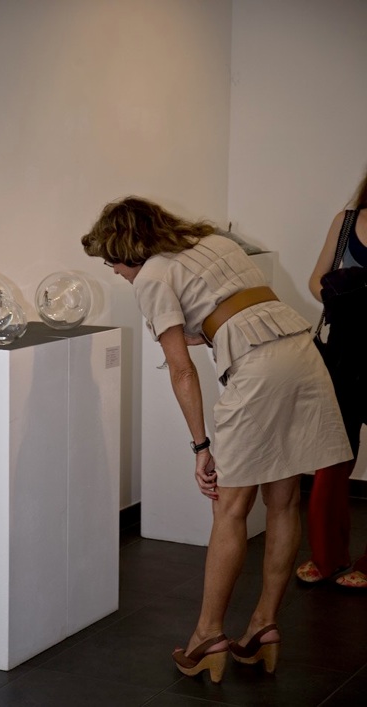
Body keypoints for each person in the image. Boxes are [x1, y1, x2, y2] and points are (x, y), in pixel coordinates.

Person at [82, 196, 352, 683]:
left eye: (111, 262)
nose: (116, 272)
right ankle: (263, 625)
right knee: (284, 500)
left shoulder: (151, 277)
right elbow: (233, 311)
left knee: (230, 507)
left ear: (125, 247)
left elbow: (182, 371)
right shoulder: (211, 242)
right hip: (301, 353)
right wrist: (199, 332)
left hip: (259, 369)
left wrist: (200, 446)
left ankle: (207, 636)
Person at [296, 169, 367, 590]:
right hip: (343, 354)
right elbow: (315, 279)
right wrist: (339, 295)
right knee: (333, 456)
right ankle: (327, 556)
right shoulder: (346, 221)